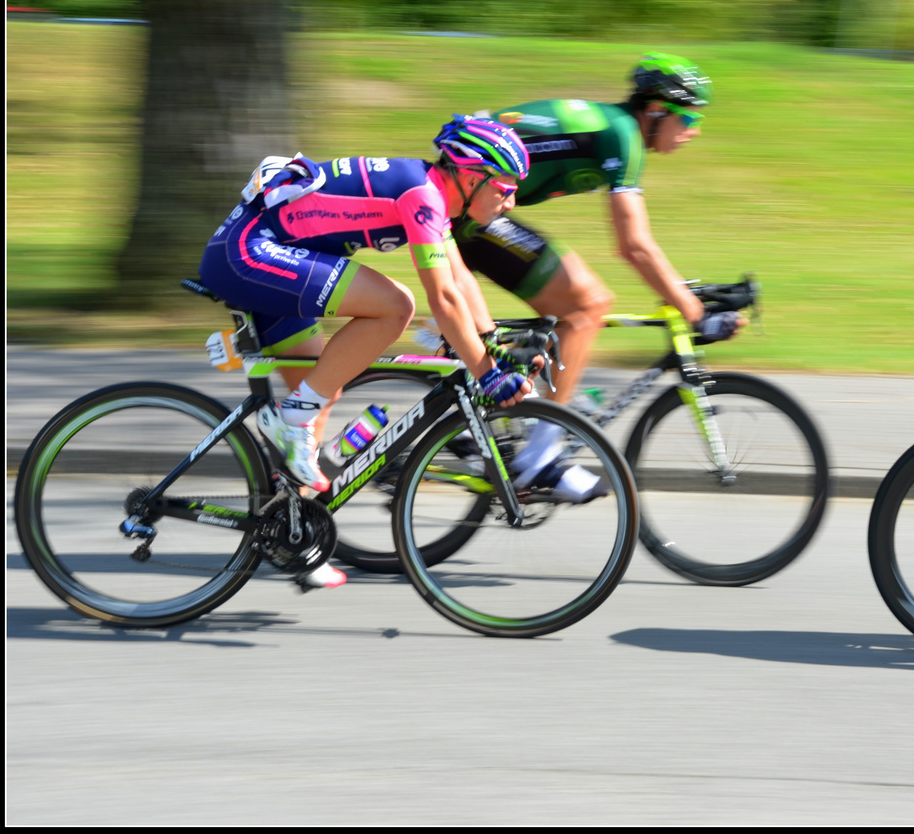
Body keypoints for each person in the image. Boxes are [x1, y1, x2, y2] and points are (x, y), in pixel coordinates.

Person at [198, 117, 543, 589]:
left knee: (319, 394)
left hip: (271, 251)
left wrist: (493, 346)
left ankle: (293, 536)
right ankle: (291, 418)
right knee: (395, 306)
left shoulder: (434, 197)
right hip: (251, 253)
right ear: (470, 174)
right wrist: (485, 373)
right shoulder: (422, 196)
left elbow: (459, 283)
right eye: (504, 187)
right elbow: (440, 300)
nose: (512, 200)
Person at [449, 53, 745, 492]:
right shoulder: (622, 135)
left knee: (566, 314)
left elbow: (638, 246)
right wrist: (694, 312)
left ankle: (485, 410)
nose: (693, 131)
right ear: (657, 110)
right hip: (468, 212)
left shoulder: (619, 130)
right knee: (587, 306)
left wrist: (682, 293)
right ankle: (540, 456)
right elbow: (633, 246)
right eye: (686, 118)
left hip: (472, 204)